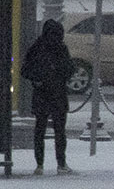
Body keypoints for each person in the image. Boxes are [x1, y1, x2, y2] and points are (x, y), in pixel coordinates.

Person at [20, 20, 74, 175]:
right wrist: (60, 75)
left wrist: (37, 79)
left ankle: (39, 164)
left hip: (41, 93)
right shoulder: (61, 48)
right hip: (58, 93)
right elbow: (69, 69)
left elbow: (25, 70)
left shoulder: (37, 47)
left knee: (40, 130)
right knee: (59, 131)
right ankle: (61, 163)